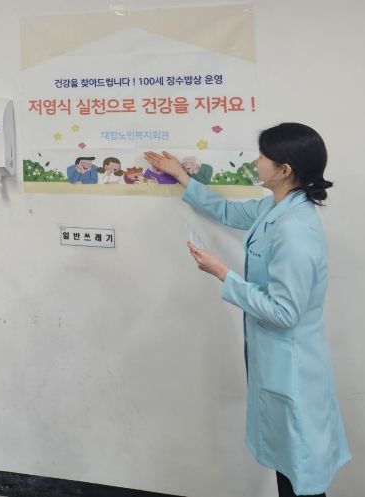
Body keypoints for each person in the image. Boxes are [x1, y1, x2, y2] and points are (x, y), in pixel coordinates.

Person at [145, 122, 351, 497]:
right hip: (279, 364)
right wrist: (181, 176)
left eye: (262, 157)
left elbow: (285, 313)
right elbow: (226, 211)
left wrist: (223, 274)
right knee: (291, 467)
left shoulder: (295, 230)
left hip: (294, 370)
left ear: (284, 169)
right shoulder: (277, 207)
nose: (256, 162)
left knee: (302, 475)